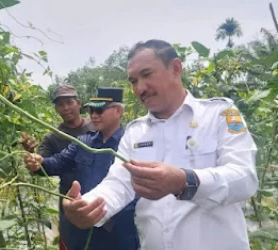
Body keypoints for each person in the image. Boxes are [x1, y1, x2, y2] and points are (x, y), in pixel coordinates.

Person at [61, 39, 259, 250]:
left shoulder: (218, 115)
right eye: (133, 81)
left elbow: (245, 178)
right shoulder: (136, 132)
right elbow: (119, 184)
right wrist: (87, 206)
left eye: (147, 75)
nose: (140, 88)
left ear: (175, 68)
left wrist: (185, 181)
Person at [23, 87, 140, 250]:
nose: (93, 115)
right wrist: (39, 162)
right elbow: (58, 162)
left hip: (121, 228)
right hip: (85, 225)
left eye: (99, 110)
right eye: (91, 110)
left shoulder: (132, 144)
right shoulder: (83, 142)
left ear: (118, 111)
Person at [20, 84, 92, 250]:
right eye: (60, 104)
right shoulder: (52, 137)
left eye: (69, 102)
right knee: (72, 243)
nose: (66, 108)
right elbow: (42, 165)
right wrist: (32, 158)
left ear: (79, 103)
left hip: (98, 194)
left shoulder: (95, 127)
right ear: (56, 109)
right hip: (69, 199)